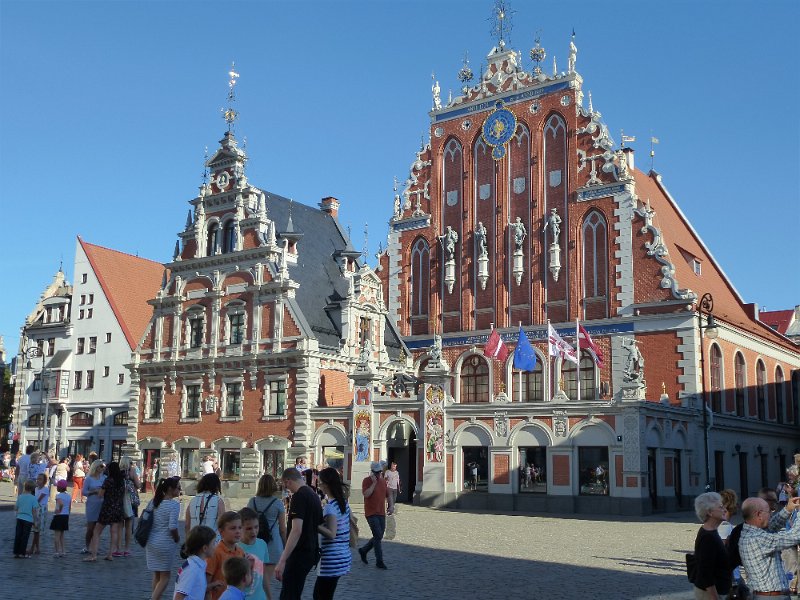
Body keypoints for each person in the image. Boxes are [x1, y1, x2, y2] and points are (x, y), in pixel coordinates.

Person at [275, 467, 323, 600]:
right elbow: (318, 524)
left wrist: (282, 560)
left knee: (288, 595)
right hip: (310, 551)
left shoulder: (299, 496)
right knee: (294, 592)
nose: (285, 488)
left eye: (284, 484)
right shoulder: (314, 495)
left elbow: (296, 530)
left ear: (288, 481)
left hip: (299, 553)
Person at [739, 495, 800, 598]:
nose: (771, 514)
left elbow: (772, 525)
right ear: (759, 515)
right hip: (771, 596)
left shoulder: (750, 531)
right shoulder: (757, 538)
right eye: (769, 511)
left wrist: (788, 509)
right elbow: (794, 537)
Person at [246, 474, 287, 600]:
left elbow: (246, 522)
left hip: (255, 544)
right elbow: (282, 529)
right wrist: (286, 545)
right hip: (273, 545)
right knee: (265, 581)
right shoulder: (278, 504)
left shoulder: (252, 502)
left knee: (255, 580)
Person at [314, 467, 351, 600]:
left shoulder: (330, 507)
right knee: (326, 594)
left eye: (320, 483)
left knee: (319, 596)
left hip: (331, 560)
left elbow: (331, 533)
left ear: (327, 484)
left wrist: (314, 525)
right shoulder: (343, 503)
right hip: (342, 556)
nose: (319, 485)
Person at [146, 477, 182, 600]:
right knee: (165, 576)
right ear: (170, 489)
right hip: (165, 543)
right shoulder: (174, 505)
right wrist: (177, 538)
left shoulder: (154, 502)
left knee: (156, 574)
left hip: (151, 542)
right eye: (178, 487)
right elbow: (172, 526)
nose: (180, 490)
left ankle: (155, 597)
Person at [691, 491, 730, 599]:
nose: (725, 510)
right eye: (721, 507)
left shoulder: (712, 531)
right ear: (709, 512)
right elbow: (705, 572)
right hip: (709, 594)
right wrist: (714, 597)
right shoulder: (708, 537)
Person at [85, 461, 126, 561]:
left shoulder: (108, 480)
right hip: (118, 508)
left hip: (107, 507)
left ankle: (93, 555)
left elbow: (100, 495)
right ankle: (110, 554)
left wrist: (97, 491)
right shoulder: (121, 481)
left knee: (97, 531)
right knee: (114, 532)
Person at [206, 511, 246, 600]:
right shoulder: (215, 553)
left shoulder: (241, 552)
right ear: (221, 531)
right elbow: (204, 584)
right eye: (233, 528)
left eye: (240, 528)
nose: (238, 531)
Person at [174, 525, 218, 600]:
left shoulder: (197, 564)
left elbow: (195, 588)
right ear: (205, 548)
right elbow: (179, 596)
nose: (216, 546)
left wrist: (210, 586)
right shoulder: (192, 569)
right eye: (213, 543)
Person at [358, 461, 388, 569]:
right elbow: (366, 494)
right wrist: (374, 483)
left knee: (378, 536)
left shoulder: (383, 481)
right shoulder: (366, 481)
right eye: (376, 472)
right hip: (371, 512)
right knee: (377, 535)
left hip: (381, 512)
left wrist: (391, 505)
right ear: (372, 472)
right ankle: (379, 561)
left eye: (379, 472)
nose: (378, 474)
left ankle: (364, 550)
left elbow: (387, 495)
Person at [238, 507, 270, 600]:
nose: (253, 531)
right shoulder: (236, 548)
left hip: (260, 597)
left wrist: (269, 597)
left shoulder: (262, 544)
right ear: (240, 528)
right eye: (248, 528)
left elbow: (264, 576)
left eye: (256, 527)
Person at [186, 473, 226, 540]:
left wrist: (188, 539)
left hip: (194, 539)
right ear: (216, 485)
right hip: (212, 541)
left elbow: (187, 525)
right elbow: (222, 524)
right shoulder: (218, 501)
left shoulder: (192, 501)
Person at [82, 459, 106, 553]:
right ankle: (87, 546)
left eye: (103, 466)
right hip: (92, 504)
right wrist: (93, 491)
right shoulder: (89, 479)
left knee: (98, 528)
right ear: (96, 467)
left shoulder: (104, 478)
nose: (103, 468)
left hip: (101, 503)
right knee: (90, 527)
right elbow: (84, 492)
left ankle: (94, 547)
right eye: (101, 466)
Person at [119, 456, 141, 556]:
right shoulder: (131, 470)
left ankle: (117, 548)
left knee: (119, 525)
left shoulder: (118, 471)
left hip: (119, 499)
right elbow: (138, 484)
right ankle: (127, 548)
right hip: (131, 500)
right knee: (129, 526)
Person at [14, 480, 37, 558]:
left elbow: (16, 508)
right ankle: (22, 552)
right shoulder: (33, 498)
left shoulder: (20, 496)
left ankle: (16, 552)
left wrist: (17, 516)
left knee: (18, 535)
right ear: (32, 489)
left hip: (20, 518)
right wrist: (35, 520)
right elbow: (34, 511)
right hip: (28, 519)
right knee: (25, 536)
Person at [29, 472, 48, 555]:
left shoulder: (45, 489)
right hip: (35, 510)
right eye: (37, 479)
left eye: (40, 479)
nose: (38, 480)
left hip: (41, 510)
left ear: (44, 481)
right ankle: (37, 548)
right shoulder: (36, 489)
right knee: (36, 531)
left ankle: (33, 548)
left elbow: (38, 500)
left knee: (37, 530)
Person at [50, 479, 71, 557]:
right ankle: (63, 551)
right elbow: (69, 507)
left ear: (60, 487)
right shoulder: (69, 496)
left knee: (56, 535)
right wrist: (67, 514)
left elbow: (60, 504)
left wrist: (59, 511)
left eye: (57, 486)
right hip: (65, 516)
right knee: (62, 535)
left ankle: (56, 552)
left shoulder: (58, 495)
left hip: (58, 516)